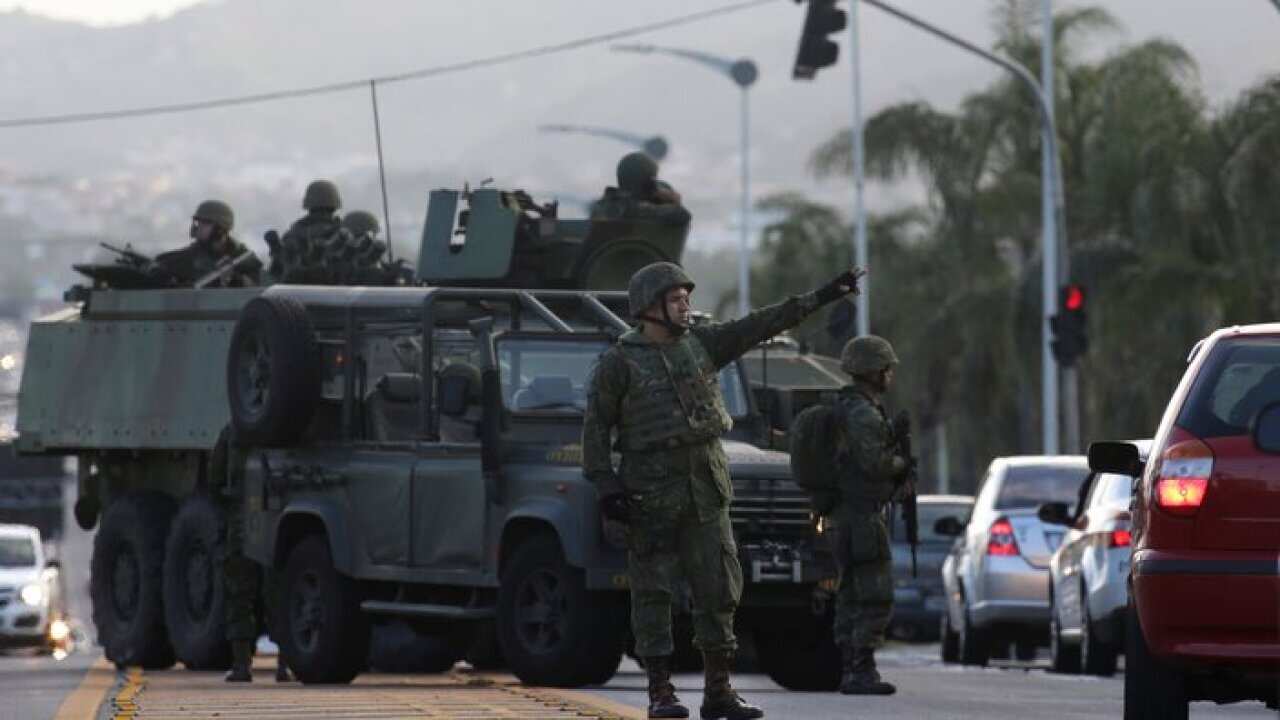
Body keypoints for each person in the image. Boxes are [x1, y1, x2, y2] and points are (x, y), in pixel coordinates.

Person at [583, 261, 864, 720]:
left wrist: (825, 295)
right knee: (653, 592)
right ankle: (660, 692)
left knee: (719, 589)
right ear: (651, 309)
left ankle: (718, 691)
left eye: (686, 297)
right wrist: (606, 487)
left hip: (706, 486)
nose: (686, 306)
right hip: (650, 491)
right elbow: (594, 431)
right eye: (676, 300)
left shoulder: (702, 346)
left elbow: (764, 322)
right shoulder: (618, 363)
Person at [828, 335, 912, 695]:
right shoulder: (861, 413)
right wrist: (901, 464)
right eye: (886, 368)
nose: (890, 375)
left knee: (850, 592)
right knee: (875, 592)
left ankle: (851, 667)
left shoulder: (848, 408)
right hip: (861, 516)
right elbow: (874, 464)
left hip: (846, 515)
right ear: (874, 371)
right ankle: (861, 669)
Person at [213, 427, 292, 683]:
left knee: (239, 592)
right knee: (278, 591)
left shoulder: (232, 432)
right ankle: (285, 664)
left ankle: (241, 665)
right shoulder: (284, 429)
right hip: (275, 517)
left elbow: (215, 478)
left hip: (243, 518)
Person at [153, 200, 261, 287]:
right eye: (198, 222)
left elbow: (256, 289)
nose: (199, 227)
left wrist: (234, 278)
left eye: (205, 223)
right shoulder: (185, 259)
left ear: (220, 229)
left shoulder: (244, 260)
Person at [270, 179, 349, 283]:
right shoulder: (345, 234)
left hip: (296, 294)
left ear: (308, 204)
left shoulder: (292, 234)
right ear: (335, 205)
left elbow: (277, 270)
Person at [590, 152, 690, 228]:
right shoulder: (640, 210)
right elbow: (682, 215)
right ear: (649, 183)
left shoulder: (602, 206)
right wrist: (672, 200)